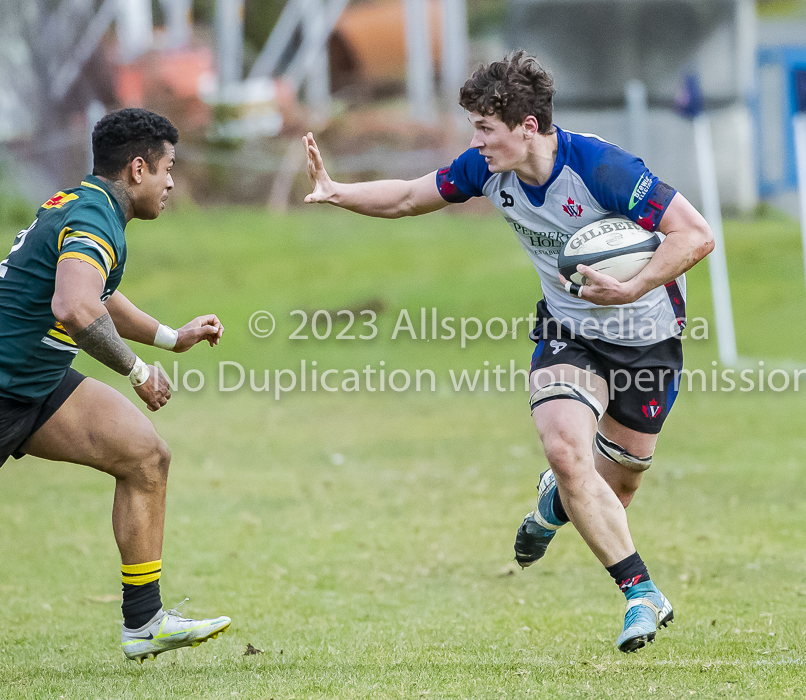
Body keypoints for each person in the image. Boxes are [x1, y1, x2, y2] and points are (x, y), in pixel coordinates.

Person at [302, 52, 714, 652]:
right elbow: (408, 198)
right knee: (566, 452)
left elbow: (696, 234)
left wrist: (629, 287)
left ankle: (553, 506)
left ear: (527, 127)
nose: (476, 141)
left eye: (484, 129)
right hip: (568, 332)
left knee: (614, 488)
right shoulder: (485, 170)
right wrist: (336, 191)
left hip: (647, 339)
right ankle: (640, 593)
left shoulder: (602, 168)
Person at [0, 108, 231, 677]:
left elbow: (100, 294)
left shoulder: (84, 206)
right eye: (167, 169)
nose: (171, 183)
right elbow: (74, 306)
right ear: (137, 168)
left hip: (38, 385)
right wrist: (138, 372)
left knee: (145, 456)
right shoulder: (93, 215)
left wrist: (170, 337)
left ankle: (144, 622)